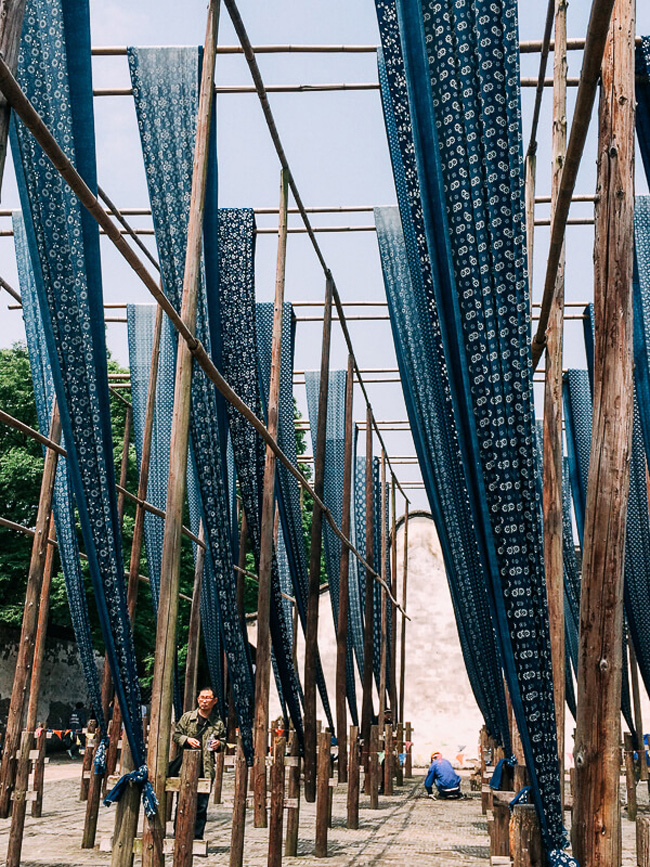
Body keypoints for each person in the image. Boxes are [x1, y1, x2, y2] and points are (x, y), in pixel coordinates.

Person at [172, 687, 226, 840]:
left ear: (214, 701)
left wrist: (218, 745)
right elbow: (176, 735)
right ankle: (179, 835)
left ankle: (196, 837)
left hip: (206, 768)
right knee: (182, 803)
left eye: (208, 698)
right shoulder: (187, 718)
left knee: (201, 806)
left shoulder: (217, 723)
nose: (204, 701)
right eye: (202, 697)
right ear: (197, 699)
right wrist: (187, 740)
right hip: (185, 767)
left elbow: (223, 741)